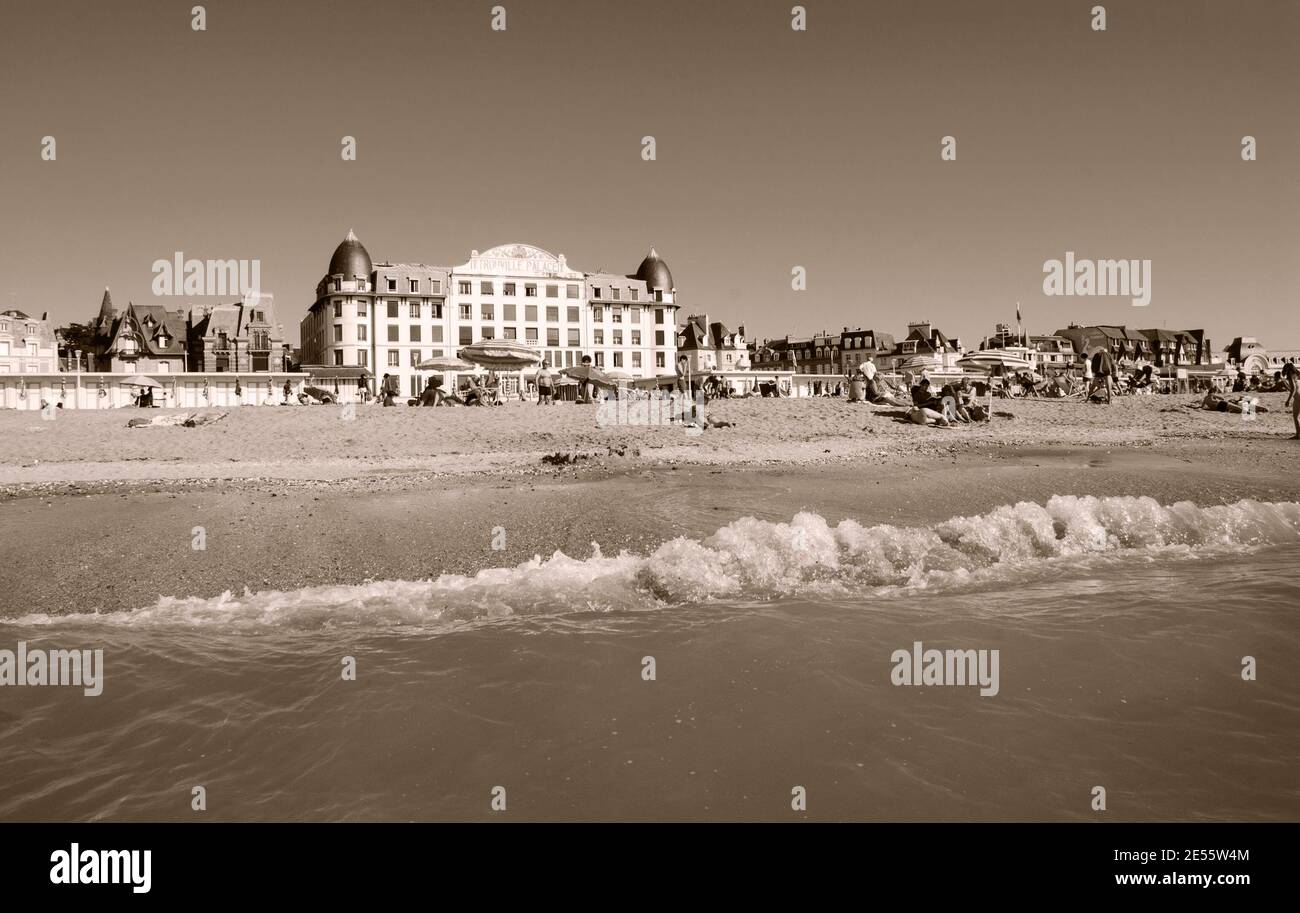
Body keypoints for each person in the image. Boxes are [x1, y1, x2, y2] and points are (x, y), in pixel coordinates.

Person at [1284, 363, 1299, 439]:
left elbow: (1293, 389)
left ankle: (1298, 434)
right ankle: (1298, 434)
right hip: (1297, 397)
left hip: (1298, 398)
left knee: (1296, 417)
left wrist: (1288, 400)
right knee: (1296, 417)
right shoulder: (1297, 374)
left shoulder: (1290, 376)